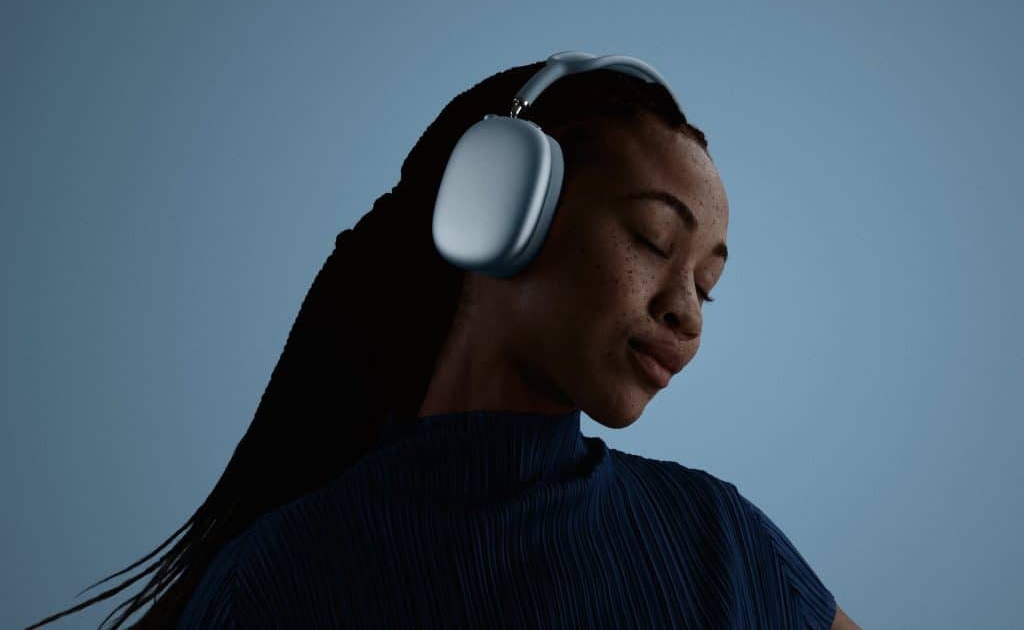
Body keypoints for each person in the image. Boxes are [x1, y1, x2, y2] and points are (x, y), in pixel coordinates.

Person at [27, 55, 860, 629]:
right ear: (498, 210)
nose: (688, 312)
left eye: (708, 283)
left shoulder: (719, 534)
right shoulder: (285, 576)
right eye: (650, 238)